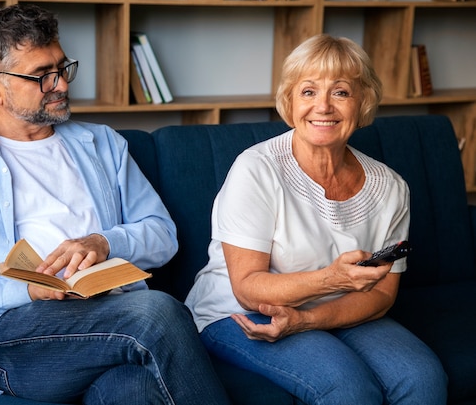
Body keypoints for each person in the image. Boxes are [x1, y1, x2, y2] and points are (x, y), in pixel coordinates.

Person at [0, 3, 230, 405]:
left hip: (110, 316)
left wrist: (103, 242)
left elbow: (162, 234)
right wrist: (27, 290)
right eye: (42, 75)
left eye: (62, 68)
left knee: (132, 388)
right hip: (12, 334)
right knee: (158, 313)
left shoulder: (104, 144)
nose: (61, 84)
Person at [185, 34, 448, 405]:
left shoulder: (391, 187)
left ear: (363, 101)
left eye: (340, 92)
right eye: (308, 91)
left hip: (334, 307)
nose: (323, 106)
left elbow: (384, 294)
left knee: (423, 378)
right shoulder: (256, 170)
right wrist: (332, 279)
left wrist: (312, 319)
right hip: (240, 311)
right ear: (290, 101)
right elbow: (247, 287)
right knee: (348, 388)